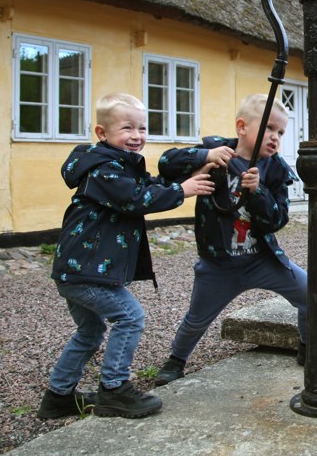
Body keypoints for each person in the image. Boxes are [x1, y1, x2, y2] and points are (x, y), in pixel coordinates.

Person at [36, 92, 215, 420]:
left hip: (78, 270)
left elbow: (151, 185)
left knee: (90, 333)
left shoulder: (120, 165)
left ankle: (57, 397)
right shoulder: (104, 169)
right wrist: (182, 191)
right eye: (127, 128)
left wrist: (185, 178)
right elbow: (136, 199)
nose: (137, 136)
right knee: (130, 317)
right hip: (84, 271)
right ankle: (115, 390)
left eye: (143, 128)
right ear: (102, 133)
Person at [154, 93, 308, 386]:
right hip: (219, 263)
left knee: (311, 294)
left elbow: (277, 221)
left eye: (281, 132)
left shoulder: (276, 170)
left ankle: (308, 344)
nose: (275, 138)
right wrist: (203, 157)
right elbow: (166, 163)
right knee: (197, 318)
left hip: (262, 260)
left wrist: (259, 192)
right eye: (269, 129)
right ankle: (176, 360)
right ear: (242, 127)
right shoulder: (216, 151)